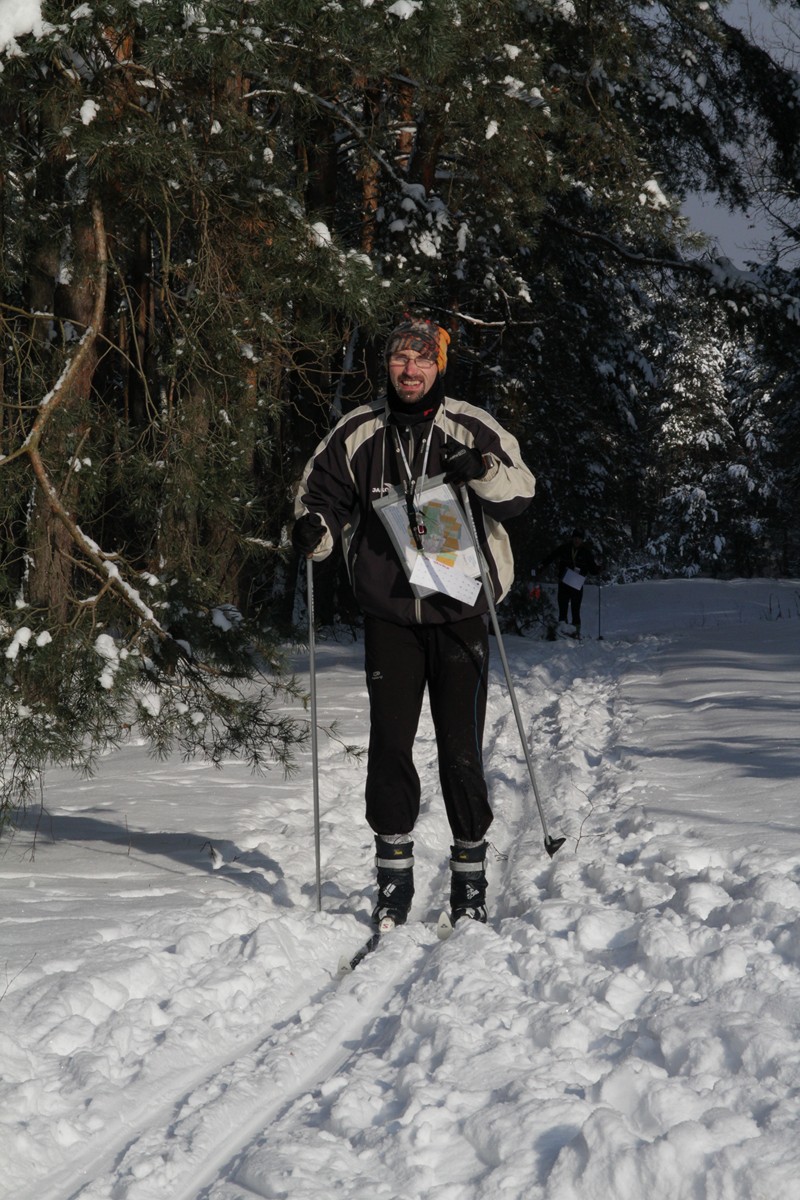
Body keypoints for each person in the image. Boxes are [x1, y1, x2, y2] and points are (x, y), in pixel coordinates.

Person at [292, 315, 535, 931]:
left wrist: (479, 469)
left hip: (461, 610)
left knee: (461, 748)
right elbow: (319, 499)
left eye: (423, 359)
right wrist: (316, 531)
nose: (410, 369)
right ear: (387, 365)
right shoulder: (359, 431)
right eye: (401, 358)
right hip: (391, 614)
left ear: (439, 367)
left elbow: (521, 493)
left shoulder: (469, 425)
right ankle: (393, 879)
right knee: (390, 745)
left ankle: (469, 878)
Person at [537, 528, 602, 638]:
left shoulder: (586, 553)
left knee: (575, 610)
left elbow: (592, 569)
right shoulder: (565, 548)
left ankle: (576, 633)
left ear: (582, 540)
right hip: (564, 582)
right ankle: (562, 632)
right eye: (575, 538)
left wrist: (599, 569)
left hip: (577, 584)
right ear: (572, 538)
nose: (577, 540)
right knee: (563, 608)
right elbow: (552, 556)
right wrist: (542, 566)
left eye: (579, 538)